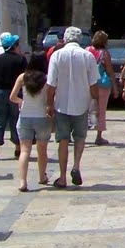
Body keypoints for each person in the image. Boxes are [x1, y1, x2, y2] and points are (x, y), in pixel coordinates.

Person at [46, 26, 99, 188]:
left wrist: (49, 104)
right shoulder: (87, 56)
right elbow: (93, 84)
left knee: (63, 139)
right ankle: (76, 166)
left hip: (61, 103)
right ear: (80, 39)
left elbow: (51, 84)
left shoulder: (57, 55)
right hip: (82, 103)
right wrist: (96, 102)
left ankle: (62, 177)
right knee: (80, 137)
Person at [10, 53, 51, 192]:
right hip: (42, 117)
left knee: (25, 151)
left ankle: (22, 182)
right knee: (42, 150)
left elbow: (12, 97)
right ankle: (41, 176)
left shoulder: (22, 77)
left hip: (25, 117)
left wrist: (21, 101)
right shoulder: (47, 79)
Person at [0, 33, 27, 161]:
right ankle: (18, 148)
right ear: (14, 46)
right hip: (15, 94)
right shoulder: (21, 60)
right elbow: (25, 78)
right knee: (15, 120)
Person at [86, 31, 118, 146]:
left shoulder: (87, 50)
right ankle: (98, 136)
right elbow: (110, 71)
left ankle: (80, 133)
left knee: (85, 108)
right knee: (101, 110)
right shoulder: (104, 54)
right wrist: (115, 87)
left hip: (88, 83)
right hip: (102, 85)